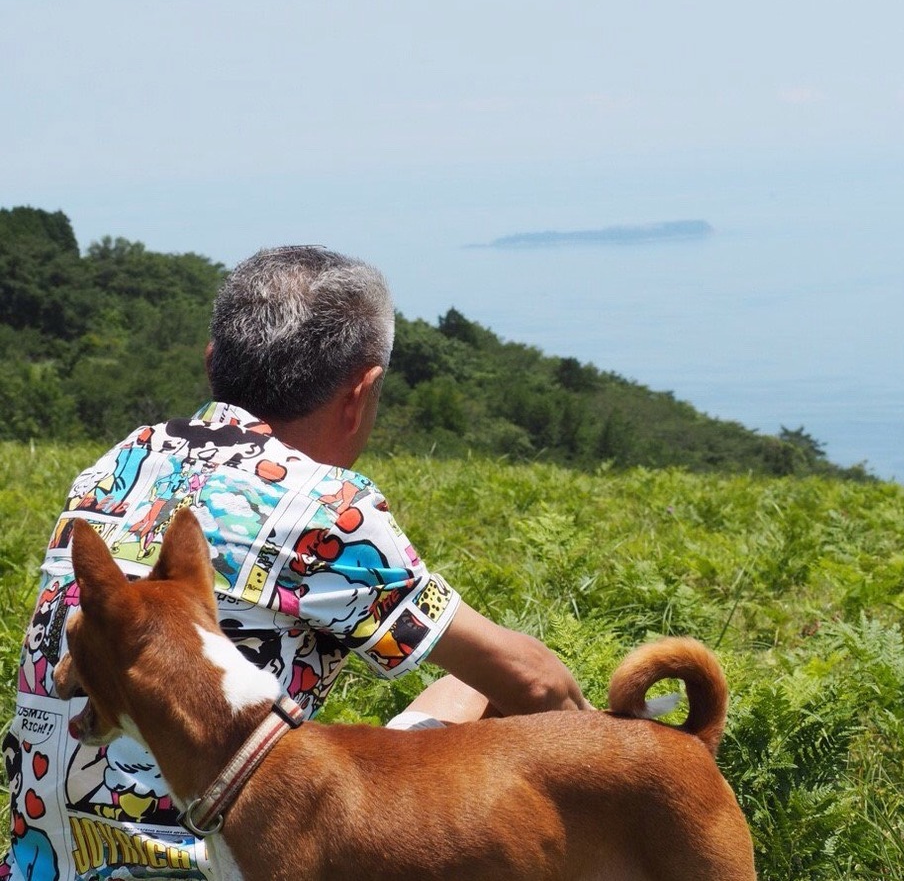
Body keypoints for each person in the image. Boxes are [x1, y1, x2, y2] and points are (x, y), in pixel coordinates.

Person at [2, 245, 587, 881]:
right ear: (362, 391)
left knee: (460, 693)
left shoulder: (114, 466)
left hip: (42, 861)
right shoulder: (327, 510)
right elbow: (537, 686)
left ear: (211, 364)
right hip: (225, 863)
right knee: (494, 691)